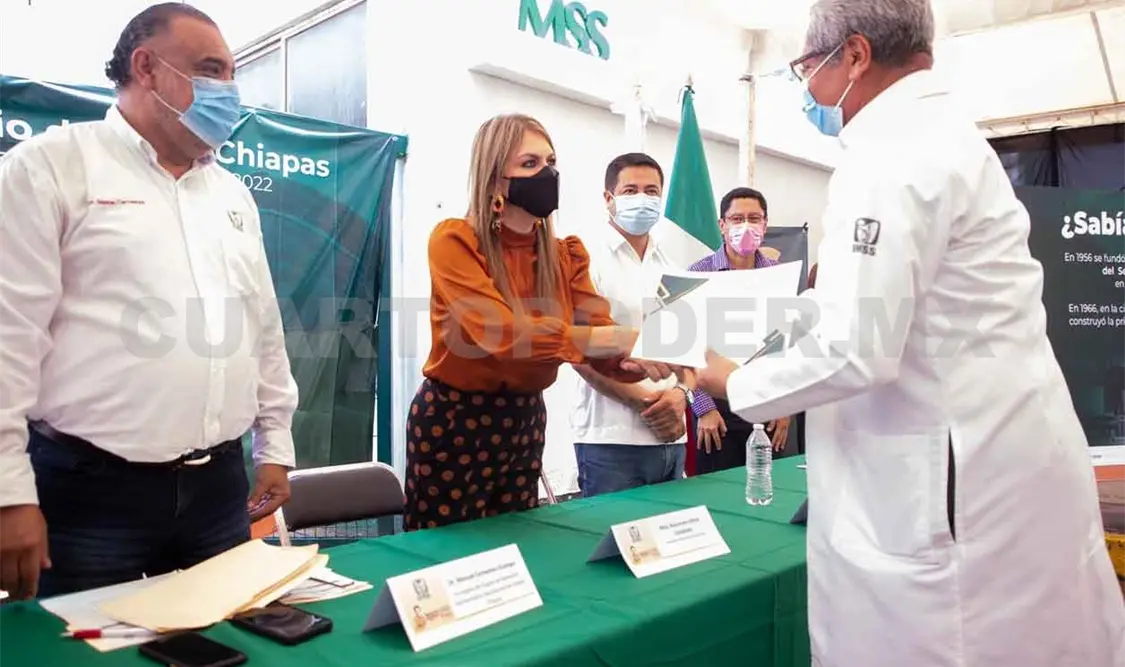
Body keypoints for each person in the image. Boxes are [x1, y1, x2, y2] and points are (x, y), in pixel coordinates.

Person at [696, 1, 1125, 665]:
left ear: (854, 55)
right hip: (995, 460)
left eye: (806, 68)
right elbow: (887, 309)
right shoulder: (942, 136)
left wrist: (737, 381)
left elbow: (855, 345)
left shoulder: (890, 153)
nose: (807, 90)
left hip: (952, 492)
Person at [0, 4, 298, 600]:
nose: (228, 90)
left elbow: (261, 325)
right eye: (210, 70)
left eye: (231, 75)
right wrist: (9, 493)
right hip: (89, 493)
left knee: (231, 639)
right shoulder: (53, 165)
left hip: (219, 488)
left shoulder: (231, 193)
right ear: (146, 67)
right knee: (82, 644)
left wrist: (276, 444)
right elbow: (9, 335)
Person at [407, 116, 668, 532]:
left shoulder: (565, 255)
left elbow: (599, 342)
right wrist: (618, 338)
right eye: (529, 163)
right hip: (455, 420)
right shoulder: (456, 241)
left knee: (516, 544)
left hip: (525, 420)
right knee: (447, 552)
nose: (547, 174)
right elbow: (499, 333)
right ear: (494, 175)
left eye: (551, 162)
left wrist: (639, 360)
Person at [571, 153, 691, 498]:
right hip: (610, 440)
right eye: (630, 190)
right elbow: (577, 351)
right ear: (609, 198)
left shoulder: (673, 266)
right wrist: (647, 405)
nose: (642, 198)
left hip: (672, 437)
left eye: (651, 191)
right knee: (614, 532)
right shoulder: (584, 260)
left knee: (674, 532)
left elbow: (689, 349)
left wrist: (680, 397)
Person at [687, 187, 792, 473]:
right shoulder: (696, 273)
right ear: (722, 225)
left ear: (765, 225)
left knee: (769, 488)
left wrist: (785, 404)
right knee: (717, 491)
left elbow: (788, 344)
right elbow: (684, 347)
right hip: (716, 411)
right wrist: (704, 408)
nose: (746, 226)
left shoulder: (779, 276)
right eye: (736, 219)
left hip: (767, 404)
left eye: (754, 218)